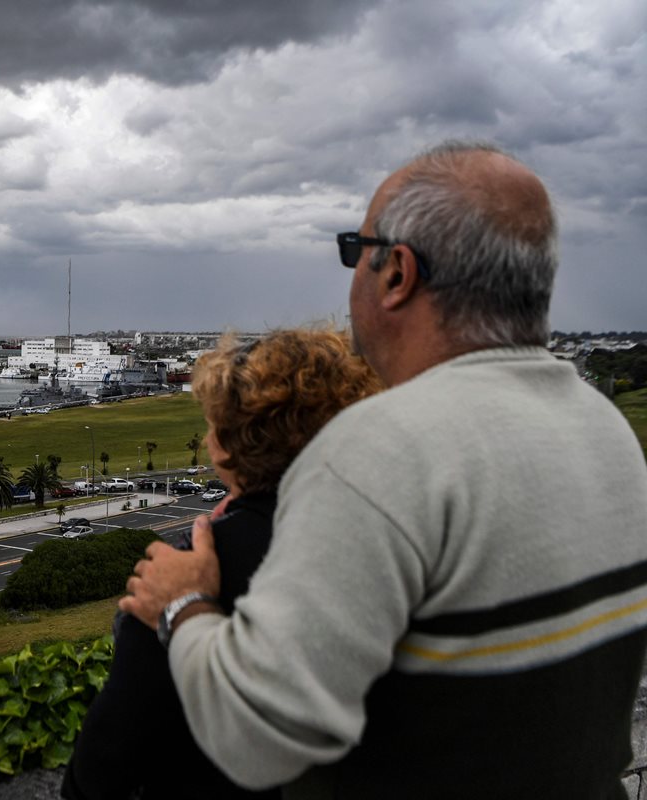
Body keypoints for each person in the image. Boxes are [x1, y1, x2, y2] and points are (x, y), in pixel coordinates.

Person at [119, 141, 647, 798]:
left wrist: (183, 603)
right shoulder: (605, 427)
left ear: (397, 272)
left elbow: (257, 738)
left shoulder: (380, 449)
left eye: (354, 251)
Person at [62, 329, 381, 800]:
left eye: (213, 424)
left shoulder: (183, 576)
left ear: (228, 446)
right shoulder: (387, 545)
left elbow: (100, 771)